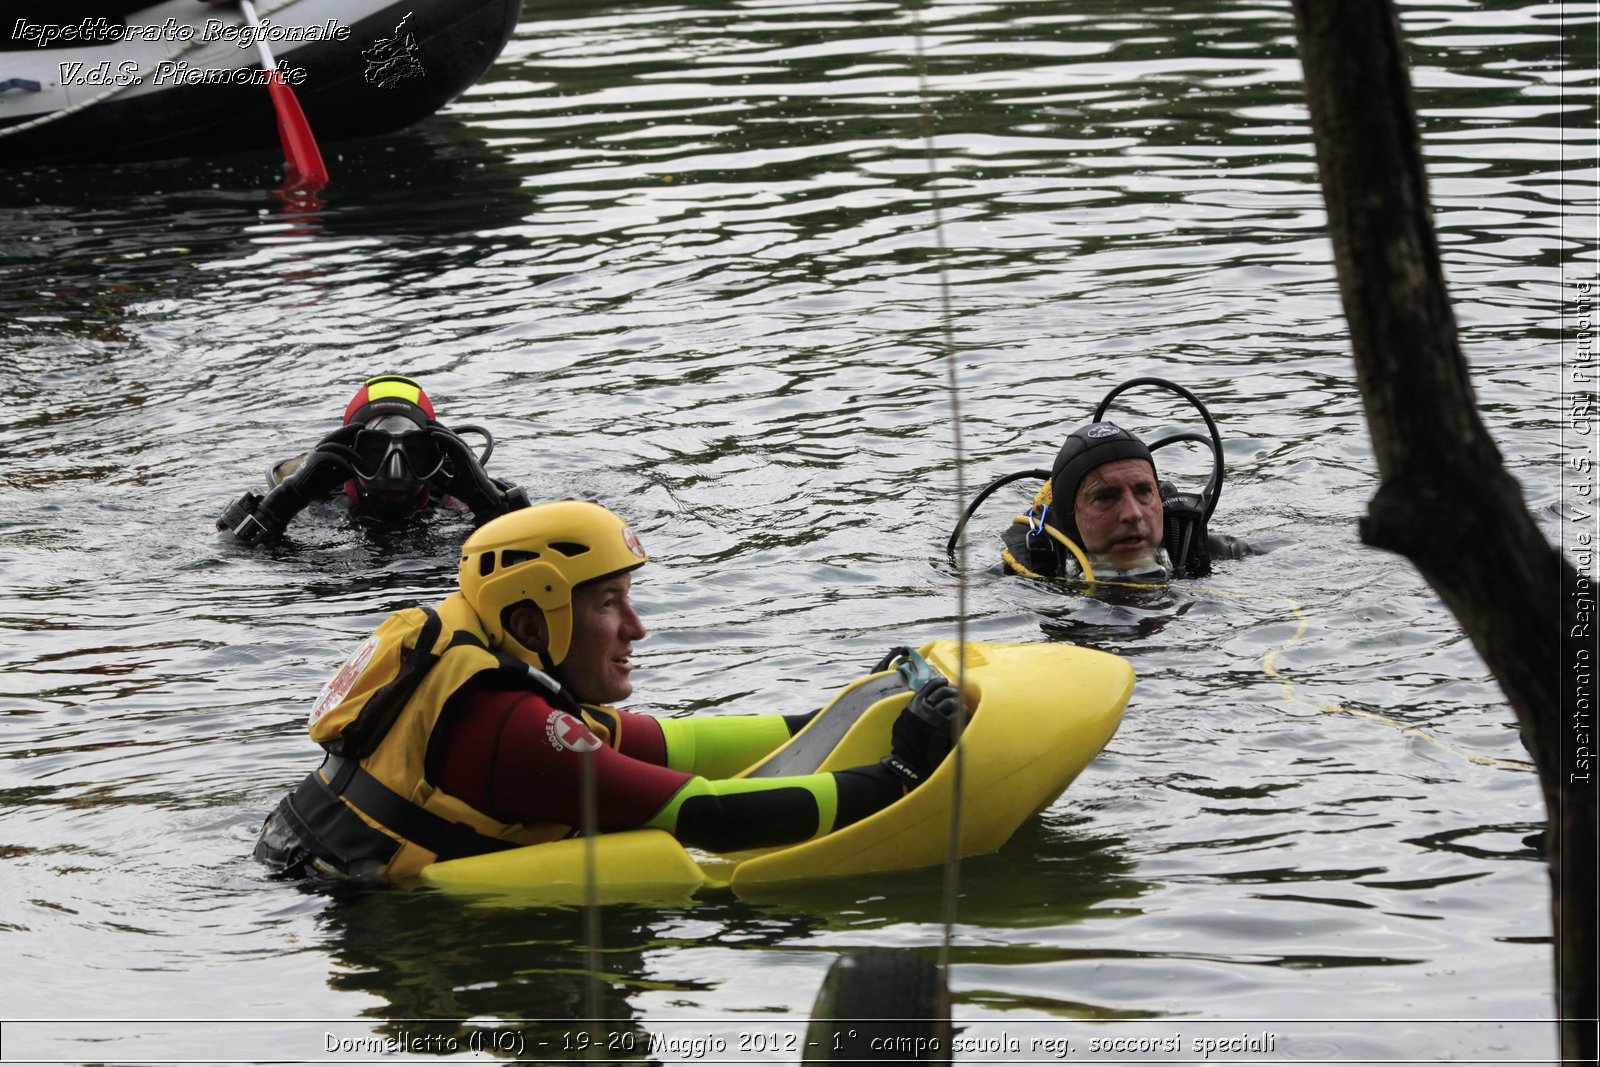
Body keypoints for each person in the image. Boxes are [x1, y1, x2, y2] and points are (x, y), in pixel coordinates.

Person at [254, 500, 961, 879]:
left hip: (308, 868)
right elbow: (708, 817)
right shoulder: (510, 727)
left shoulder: (485, 655)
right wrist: (898, 776)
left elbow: (673, 743)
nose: (637, 628)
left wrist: (860, 702)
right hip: (347, 918)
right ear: (534, 617)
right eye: (607, 605)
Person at [216, 374, 529, 545]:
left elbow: (537, 549)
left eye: (414, 452)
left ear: (435, 453)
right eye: (374, 452)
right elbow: (226, 556)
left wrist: (487, 503)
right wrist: (285, 502)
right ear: (349, 451)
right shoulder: (317, 503)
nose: (394, 472)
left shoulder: (457, 497)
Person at [999, 421, 1251, 582]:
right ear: (1069, 516)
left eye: (1143, 491)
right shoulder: (1026, 578)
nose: (1132, 514)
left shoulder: (1225, 556)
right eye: (1106, 497)